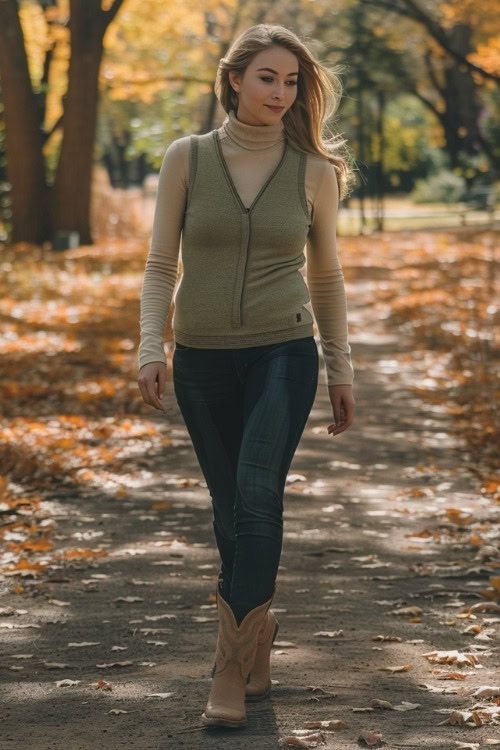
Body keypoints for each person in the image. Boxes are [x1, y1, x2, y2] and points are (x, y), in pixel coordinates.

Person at [137, 23, 356, 730]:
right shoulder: (187, 158)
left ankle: (227, 667)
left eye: (292, 82)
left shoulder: (314, 171)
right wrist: (151, 346)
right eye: (268, 77)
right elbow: (159, 264)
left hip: (283, 352)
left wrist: (340, 369)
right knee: (231, 515)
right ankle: (256, 641)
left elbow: (326, 277)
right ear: (233, 79)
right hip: (201, 358)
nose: (282, 93)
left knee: (258, 498)